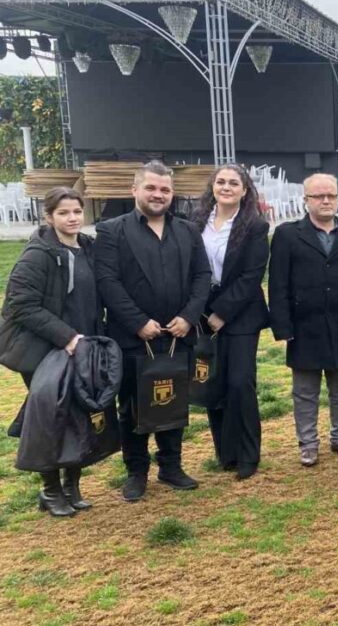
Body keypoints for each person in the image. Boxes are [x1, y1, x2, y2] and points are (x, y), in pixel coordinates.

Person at [95, 161, 211, 501]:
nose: (158, 194)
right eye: (151, 188)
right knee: (132, 405)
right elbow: (107, 281)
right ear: (135, 190)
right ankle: (136, 471)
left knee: (173, 399)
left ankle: (171, 466)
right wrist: (137, 322)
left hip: (178, 336)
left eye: (165, 189)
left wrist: (190, 316)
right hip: (132, 338)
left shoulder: (188, 231)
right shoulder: (110, 230)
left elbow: (202, 276)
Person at [0, 187, 102, 516]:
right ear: (49, 217)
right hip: (47, 350)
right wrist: (67, 336)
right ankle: (50, 489)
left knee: (80, 414)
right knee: (51, 418)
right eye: (63, 213)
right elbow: (20, 306)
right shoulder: (39, 254)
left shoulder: (88, 248)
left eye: (76, 211)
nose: (72, 218)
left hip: (82, 347)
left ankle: (72, 486)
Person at [269, 173, 338, 467]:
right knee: (305, 391)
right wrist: (282, 325)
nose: (326, 201)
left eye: (331, 196)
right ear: (306, 201)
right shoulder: (288, 235)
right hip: (304, 327)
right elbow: (278, 284)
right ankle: (308, 444)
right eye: (318, 196)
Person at [192, 165, 270, 480]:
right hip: (202, 313)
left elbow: (252, 276)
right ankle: (226, 453)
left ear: (244, 189)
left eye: (233, 183)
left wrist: (222, 313)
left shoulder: (254, 226)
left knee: (240, 383)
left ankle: (249, 454)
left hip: (241, 314)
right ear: (212, 187)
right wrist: (201, 312)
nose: (226, 187)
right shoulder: (195, 223)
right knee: (215, 383)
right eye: (221, 181)